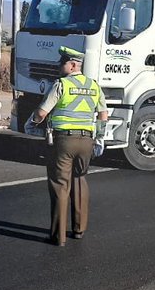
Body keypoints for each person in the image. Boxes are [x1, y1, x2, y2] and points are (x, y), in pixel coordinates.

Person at [30, 45, 108, 246]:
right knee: (80, 180)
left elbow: (42, 112)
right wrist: (100, 138)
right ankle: (79, 230)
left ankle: (58, 236)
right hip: (87, 141)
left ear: (73, 65)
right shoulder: (94, 86)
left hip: (64, 141)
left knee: (60, 185)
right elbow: (103, 114)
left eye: (62, 63)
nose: (59, 66)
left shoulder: (61, 85)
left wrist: (31, 123)